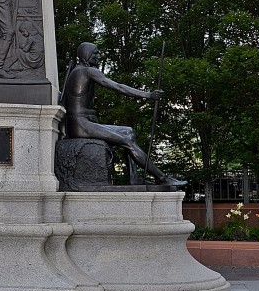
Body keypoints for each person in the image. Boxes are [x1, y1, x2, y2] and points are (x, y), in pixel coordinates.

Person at [61, 42, 186, 188]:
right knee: (127, 140)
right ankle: (162, 178)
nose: (99, 56)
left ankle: (134, 177)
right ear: (87, 55)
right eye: (96, 53)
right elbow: (118, 87)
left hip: (83, 122)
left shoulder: (78, 71)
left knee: (129, 131)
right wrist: (148, 95)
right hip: (80, 124)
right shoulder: (88, 71)